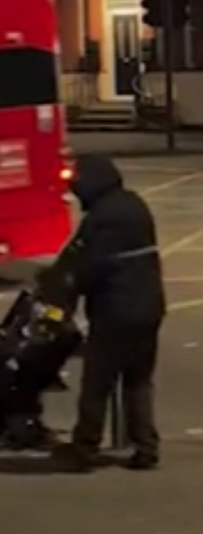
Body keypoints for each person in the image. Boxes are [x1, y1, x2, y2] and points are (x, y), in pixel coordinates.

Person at [53, 154, 165, 472]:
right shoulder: (135, 205)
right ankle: (146, 447)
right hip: (150, 307)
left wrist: (62, 289)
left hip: (116, 311)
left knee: (97, 382)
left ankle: (84, 448)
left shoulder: (102, 217)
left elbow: (86, 265)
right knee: (138, 380)